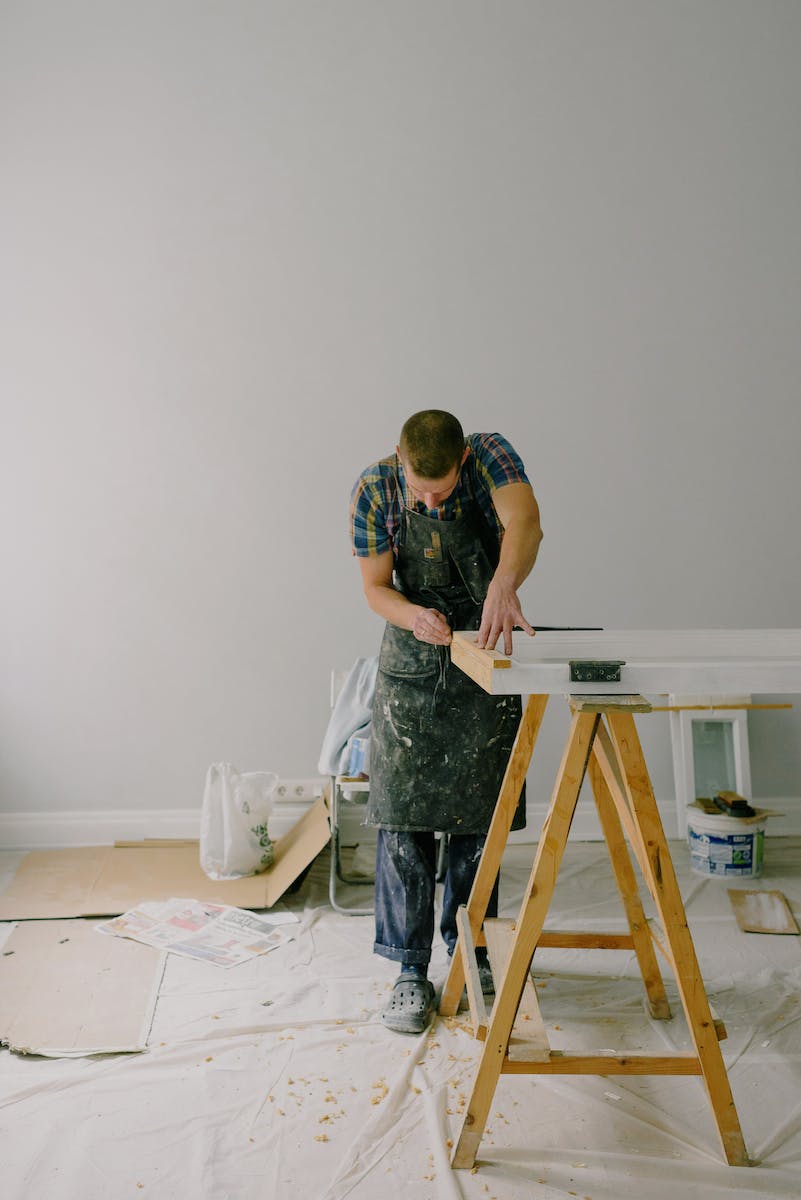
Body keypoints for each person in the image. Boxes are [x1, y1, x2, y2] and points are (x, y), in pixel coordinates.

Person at [350, 410, 543, 1034]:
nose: (431, 502)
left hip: (485, 644)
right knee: (403, 815)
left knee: (478, 813)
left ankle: (471, 949)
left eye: (443, 488)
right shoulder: (375, 488)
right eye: (420, 489)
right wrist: (412, 618)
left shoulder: (489, 456)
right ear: (399, 459)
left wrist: (503, 585)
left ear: (462, 458)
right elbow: (376, 588)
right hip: (411, 654)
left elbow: (525, 521)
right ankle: (409, 970)